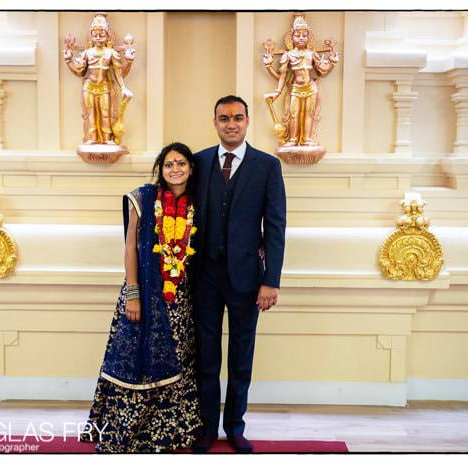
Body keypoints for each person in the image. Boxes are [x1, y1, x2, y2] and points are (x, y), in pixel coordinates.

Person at [80, 142, 203, 453]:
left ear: (190, 169)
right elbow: (131, 248)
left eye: (181, 164)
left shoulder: (196, 204)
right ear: (160, 170)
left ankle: (169, 434)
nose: (175, 169)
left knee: (177, 361)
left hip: (179, 300)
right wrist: (133, 294)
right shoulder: (143, 198)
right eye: (169, 164)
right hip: (144, 295)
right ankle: (126, 433)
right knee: (136, 359)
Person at [192, 95, 287, 453]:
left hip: (248, 278)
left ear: (247, 122)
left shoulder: (267, 166)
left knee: (241, 356)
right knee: (206, 355)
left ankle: (234, 427)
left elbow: (276, 225)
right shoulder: (198, 162)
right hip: (204, 276)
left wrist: (271, 279)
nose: (231, 124)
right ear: (214, 122)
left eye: (238, 117)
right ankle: (205, 429)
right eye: (223, 118)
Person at [263, 14, 338, 147]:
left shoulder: (311, 54)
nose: (301, 38)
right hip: (295, 89)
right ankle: (293, 139)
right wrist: (277, 91)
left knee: (309, 114)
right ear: (291, 38)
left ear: (309, 37)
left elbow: (322, 71)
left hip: (310, 88)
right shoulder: (288, 55)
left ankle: (307, 139)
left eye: (304, 35)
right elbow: (282, 76)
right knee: (294, 114)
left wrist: (332, 63)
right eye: (298, 35)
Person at [63, 13, 135, 145]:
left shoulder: (111, 53)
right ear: (91, 36)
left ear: (107, 35)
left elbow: (119, 73)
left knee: (105, 113)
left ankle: (107, 138)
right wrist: (68, 61)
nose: (98, 37)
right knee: (90, 114)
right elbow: (80, 72)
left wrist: (124, 86)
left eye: (101, 34)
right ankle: (91, 138)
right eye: (95, 34)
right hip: (89, 87)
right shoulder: (87, 53)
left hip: (105, 87)